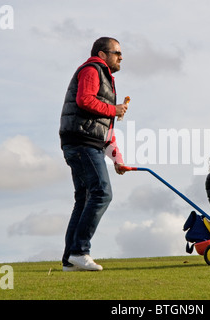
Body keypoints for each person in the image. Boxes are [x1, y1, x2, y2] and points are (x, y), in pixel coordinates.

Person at [59, 37, 129, 271]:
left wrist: (117, 159)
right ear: (102, 54)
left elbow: (104, 129)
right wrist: (114, 109)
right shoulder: (92, 69)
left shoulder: (106, 78)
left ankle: (70, 260)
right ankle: (80, 251)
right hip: (82, 143)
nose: (121, 57)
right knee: (102, 194)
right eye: (117, 52)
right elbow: (84, 100)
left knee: (84, 199)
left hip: (83, 142)